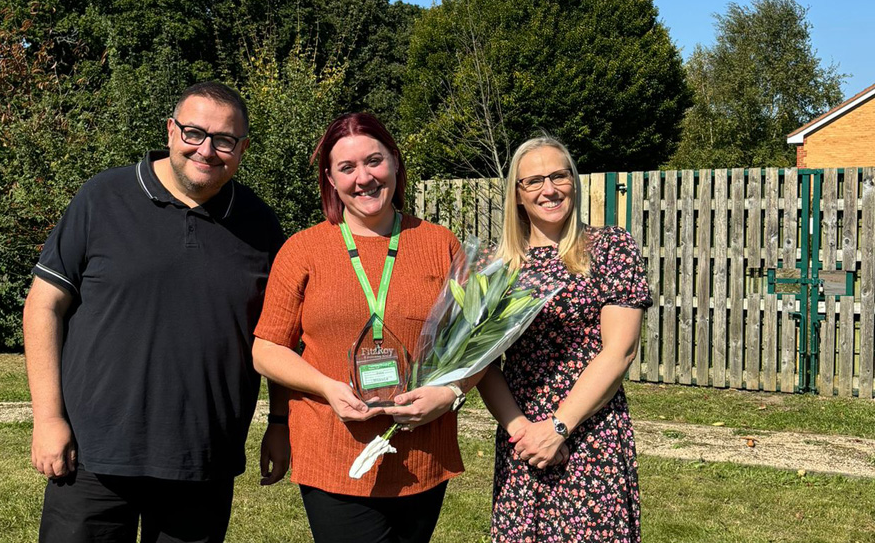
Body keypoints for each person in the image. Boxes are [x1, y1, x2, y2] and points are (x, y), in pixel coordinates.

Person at [23, 81, 289, 543]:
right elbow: (43, 306)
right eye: (193, 133)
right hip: (92, 455)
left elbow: (281, 338)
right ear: (170, 131)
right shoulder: (102, 198)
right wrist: (48, 419)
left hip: (203, 458)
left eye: (224, 140)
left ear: (242, 148)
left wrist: (280, 424)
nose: (207, 150)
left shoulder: (260, 225)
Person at [251, 112, 476, 543]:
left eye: (374, 161)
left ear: (394, 162)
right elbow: (266, 349)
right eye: (347, 168)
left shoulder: (440, 244)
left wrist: (449, 394)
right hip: (333, 447)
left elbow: (476, 344)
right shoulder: (303, 250)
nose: (364, 178)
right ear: (331, 180)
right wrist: (325, 387)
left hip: (422, 449)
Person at [476, 135, 652, 542]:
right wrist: (523, 431)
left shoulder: (610, 249)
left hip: (592, 432)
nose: (549, 189)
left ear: (574, 180)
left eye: (559, 176)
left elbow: (620, 351)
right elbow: (481, 363)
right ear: (517, 195)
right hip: (521, 437)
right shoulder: (496, 266)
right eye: (533, 181)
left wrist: (558, 427)